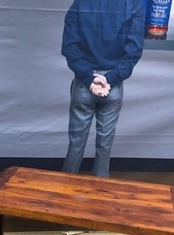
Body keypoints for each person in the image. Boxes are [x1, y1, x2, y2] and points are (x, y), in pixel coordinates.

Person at [61, 0, 145, 177]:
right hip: (111, 86)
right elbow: (133, 52)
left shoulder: (80, 4)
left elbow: (69, 47)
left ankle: (65, 190)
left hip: (84, 84)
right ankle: (102, 194)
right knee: (105, 145)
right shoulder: (132, 5)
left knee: (76, 143)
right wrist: (109, 79)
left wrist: (89, 79)